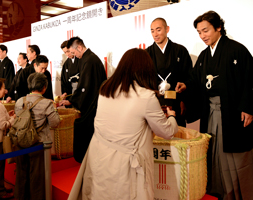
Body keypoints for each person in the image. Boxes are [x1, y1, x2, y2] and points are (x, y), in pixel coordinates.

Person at [68, 48, 178, 200]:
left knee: (99, 194)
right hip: (124, 164)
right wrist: (171, 117)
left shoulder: (105, 89)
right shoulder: (146, 96)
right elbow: (166, 132)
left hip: (99, 155)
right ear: (146, 69)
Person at [177, 11, 253, 200]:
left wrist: (248, 107)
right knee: (213, 154)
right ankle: (217, 190)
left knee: (234, 156)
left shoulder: (237, 50)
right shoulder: (204, 56)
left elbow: (250, 79)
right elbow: (195, 80)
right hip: (211, 112)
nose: (203, 36)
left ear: (218, 27)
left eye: (206, 30)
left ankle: (239, 195)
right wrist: (186, 85)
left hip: (233, 113)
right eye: (199, 32)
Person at [59, 37, 107, 162]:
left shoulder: (89, 60)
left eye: (74, 53)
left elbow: (86, 86)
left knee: (88, 130)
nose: (74, 56)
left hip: (92, 101)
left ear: (79, 48)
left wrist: (72, 100)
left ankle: (90, 159)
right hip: (90, 99)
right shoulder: (87, 58)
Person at [14, 72, 60, 200]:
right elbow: (55, 123)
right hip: (38, 143)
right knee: (37, 176)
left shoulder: (19, 101)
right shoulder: (47, 103)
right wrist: (54, 108)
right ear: (44, 87)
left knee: (21, 173)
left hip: (20, 141)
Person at [146, 17, 193, 126]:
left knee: (177, 135)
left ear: (167, 29)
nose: (155, 34)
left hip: (176, 101)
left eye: (158, 30)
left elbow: (189, 76)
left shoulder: (180, 50)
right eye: (152, 31)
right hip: (155, 102)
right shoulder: (147, 53)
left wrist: (184, 100)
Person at [60, 40, 80, 104]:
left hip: (79, 94)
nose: (67, 54)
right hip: (70, 94)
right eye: (65, 52)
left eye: (68, 51)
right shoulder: (66, 64)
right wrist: (65, 92)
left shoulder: (81, 60)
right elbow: (64, 80)